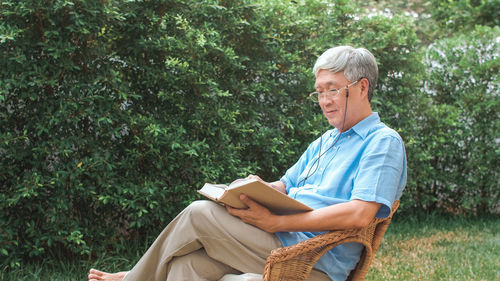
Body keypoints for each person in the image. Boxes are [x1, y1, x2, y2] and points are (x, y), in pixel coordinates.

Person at [88, 45, 407, 281]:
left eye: (333, 90)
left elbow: (359, 213)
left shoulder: (382, 142)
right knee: (186, 267)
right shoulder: (325, 141)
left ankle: (132, 278)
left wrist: (278, 222)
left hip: (312, 261)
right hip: (276, 243)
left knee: (198, 215)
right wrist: (252, 189)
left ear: (362, 87)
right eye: (319, 92)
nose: (323, 101)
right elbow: (286, 185)